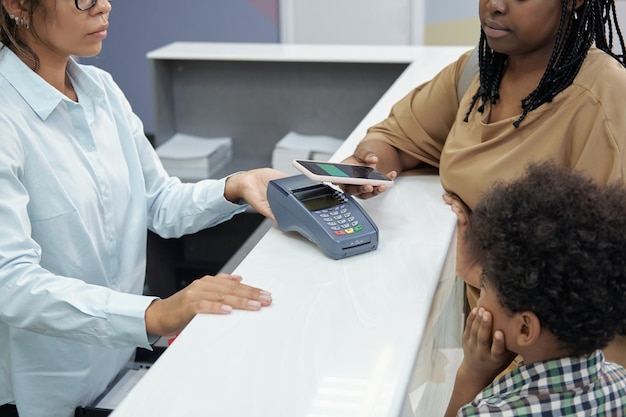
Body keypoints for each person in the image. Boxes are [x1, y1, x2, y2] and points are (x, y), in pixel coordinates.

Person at [0, 0, 287, 415]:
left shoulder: (101, 90)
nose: (103, 7)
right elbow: (10, 282)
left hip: (115, 367)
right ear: (18, 4)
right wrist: (155, 314)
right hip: (41, 391)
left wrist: (235, 187)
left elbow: (157, 201)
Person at [341, 0, 626, 367]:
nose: (494, 5)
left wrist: (482, 270)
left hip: (553, 375)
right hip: (483, 349)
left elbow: (603, 283)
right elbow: (397, 136)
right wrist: (369, 164)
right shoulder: (480, 71)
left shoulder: (604, 100)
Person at [443, 161, 626, 416]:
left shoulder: (491, 412)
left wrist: (472, 374)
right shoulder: (620, 383)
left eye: (484, 284)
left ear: (525, 328)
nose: (479, 291)